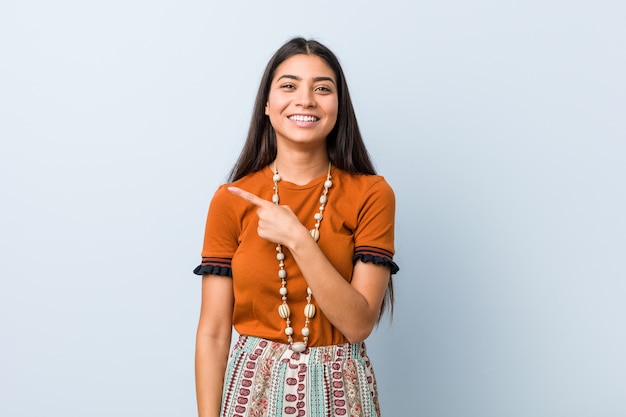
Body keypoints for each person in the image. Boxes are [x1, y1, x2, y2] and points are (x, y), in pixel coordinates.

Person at [193, 37, 399, 417]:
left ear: (339, 107)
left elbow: (358, 324)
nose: (305, 100)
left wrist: (297, 238)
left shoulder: (372, 194)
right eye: (289, 86)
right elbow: (213, 332)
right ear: (267, 106)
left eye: (323, 88)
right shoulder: (231, 199)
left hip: (343, 395)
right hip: (250, 394)